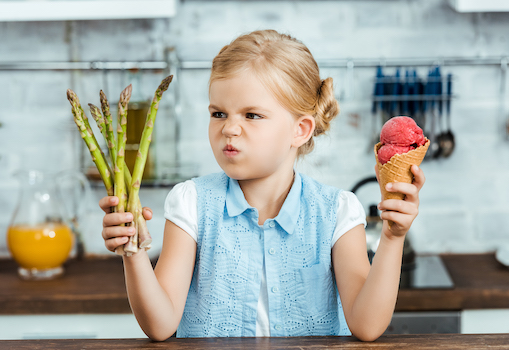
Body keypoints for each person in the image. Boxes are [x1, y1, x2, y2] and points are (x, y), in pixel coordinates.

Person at [99, 29, 425, 342]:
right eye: (218, 113)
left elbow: (366, 326)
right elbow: (160, 325)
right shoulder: (191, 203)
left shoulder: (337, 211)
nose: (229, 129)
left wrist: (393, 238)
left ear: (300, 130)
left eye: (251, 115)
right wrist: (134, 253)